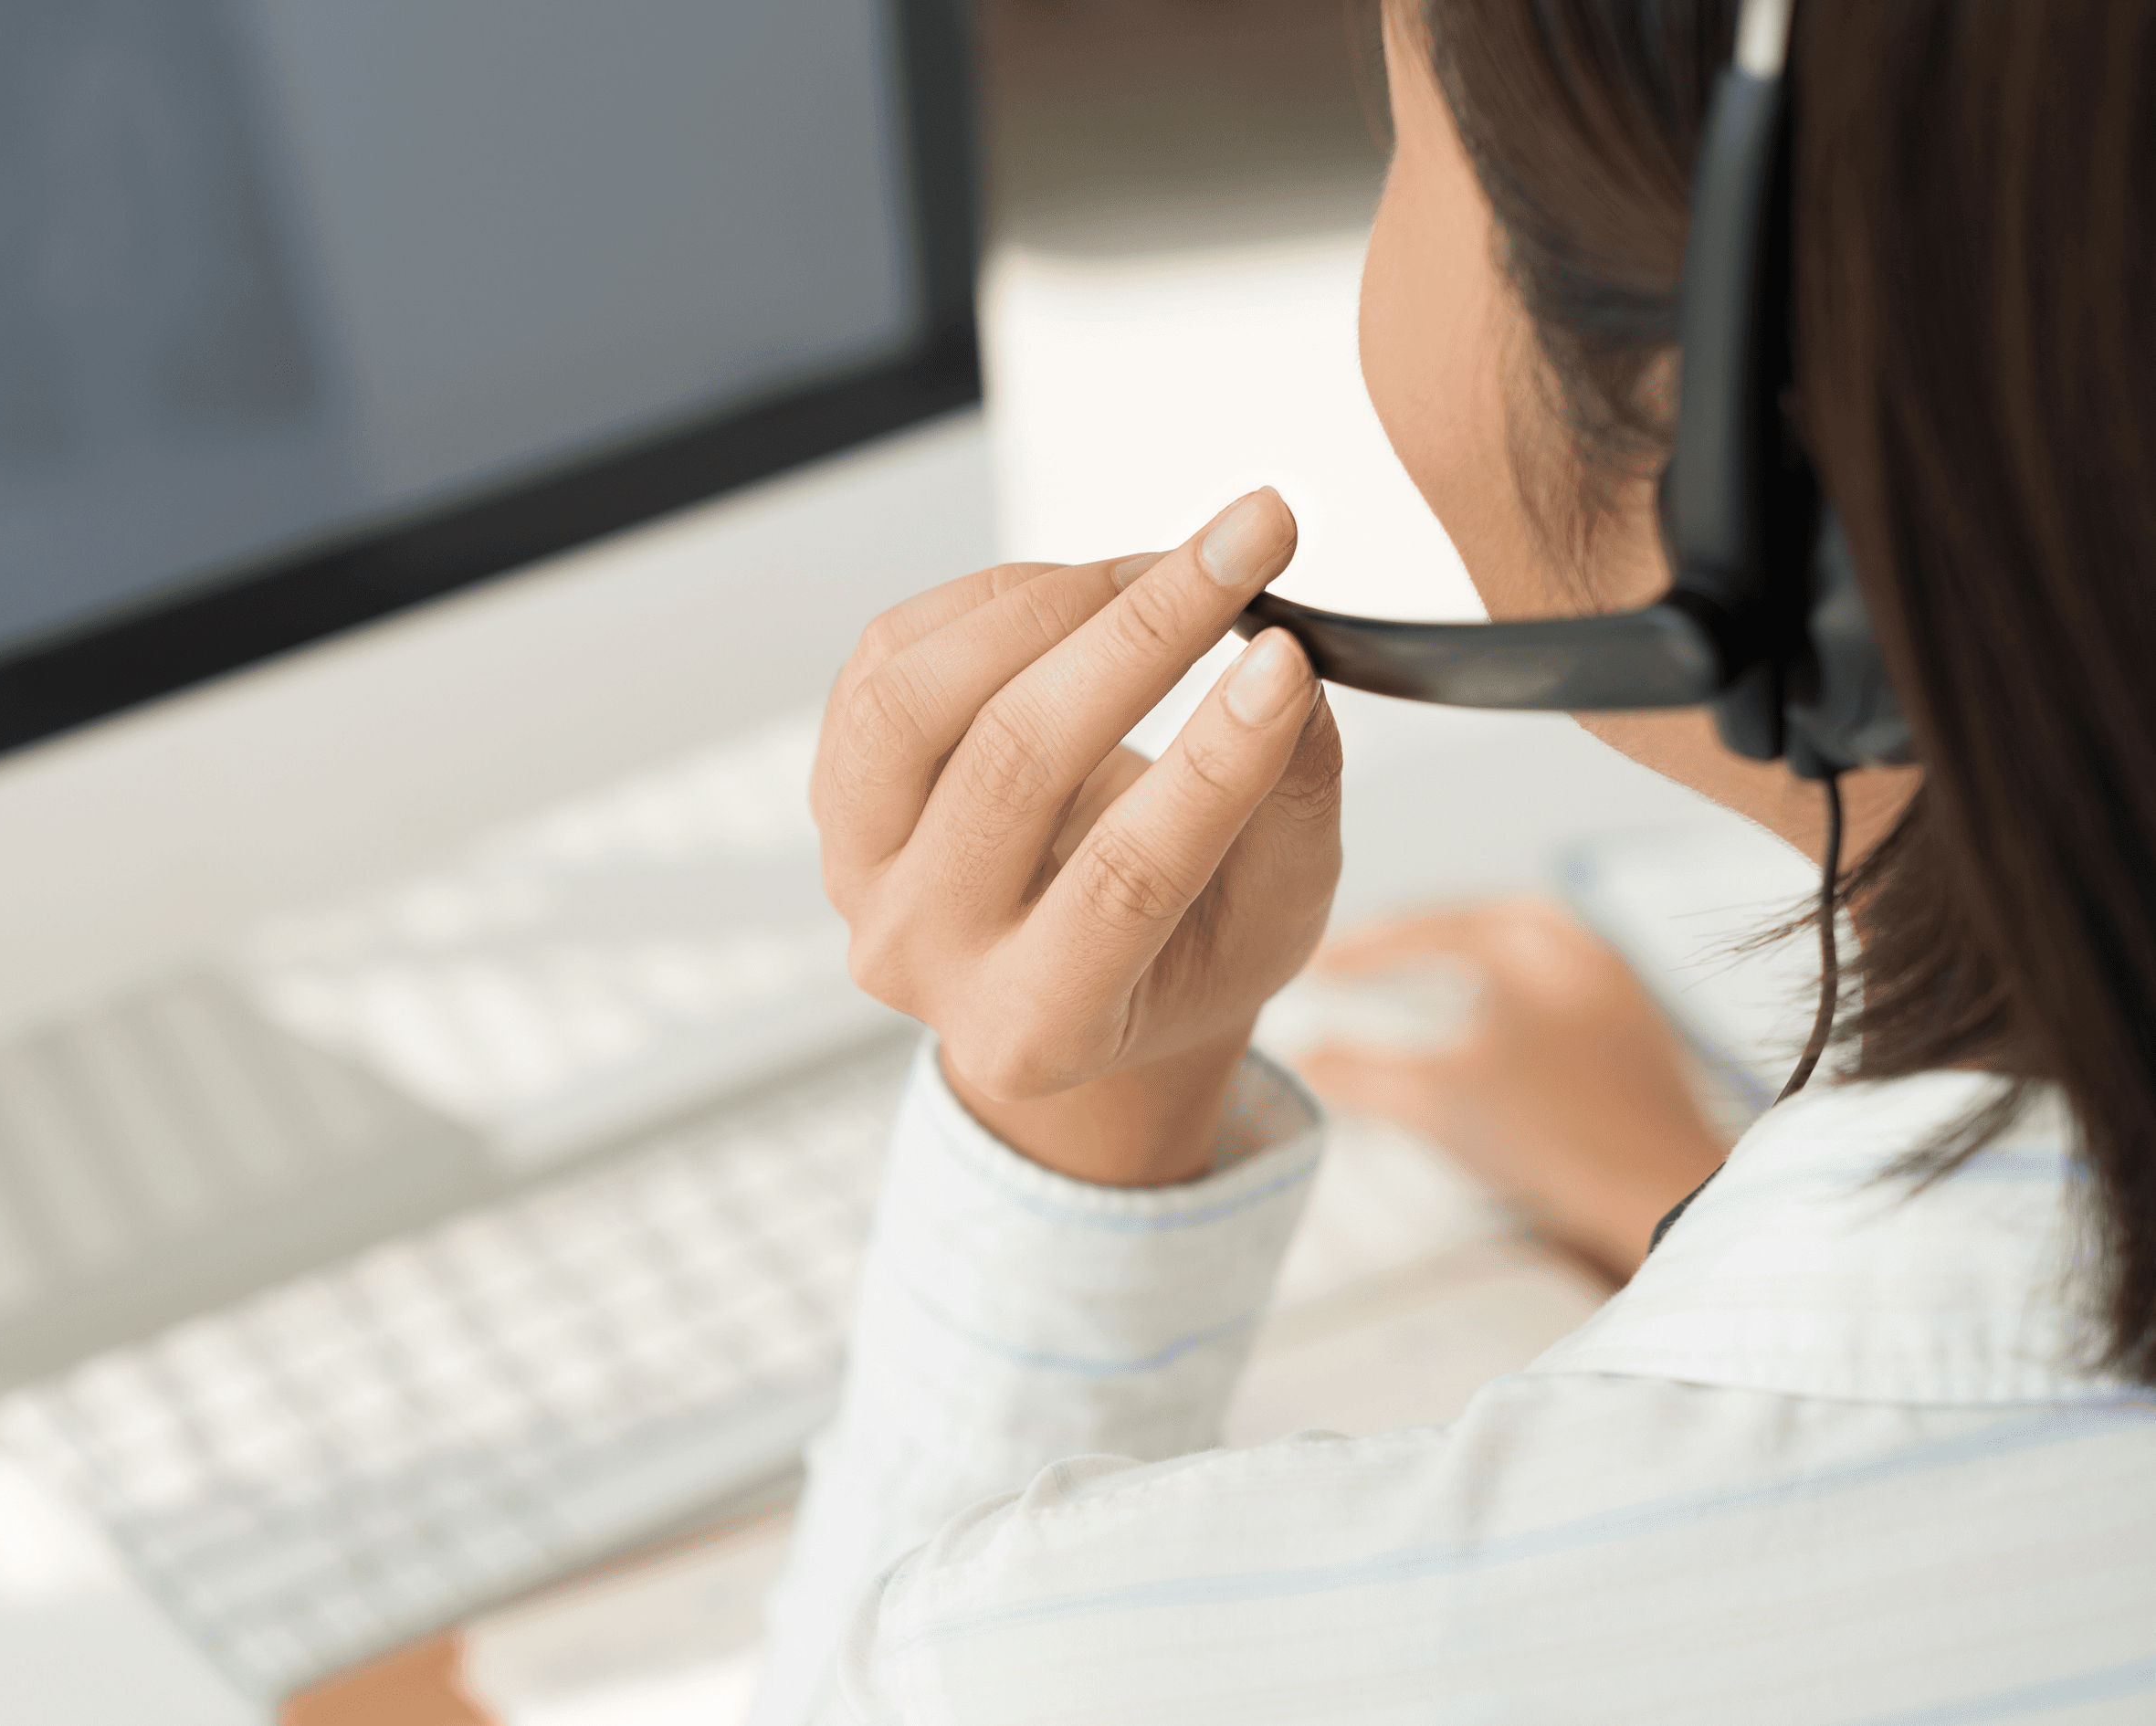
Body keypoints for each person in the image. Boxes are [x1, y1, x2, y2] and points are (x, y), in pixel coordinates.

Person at [750, 2, 2156, 1720]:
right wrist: (1690, 1193)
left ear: (1731, 447)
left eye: (1402, 119)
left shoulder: (1146, 1658)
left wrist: (1071, 1118)